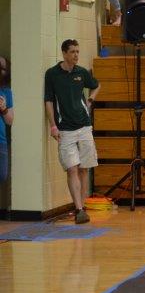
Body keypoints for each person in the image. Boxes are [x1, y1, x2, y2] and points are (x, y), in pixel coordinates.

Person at [44, 40, 101, 224]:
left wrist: (90, 99)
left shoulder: (81, 72)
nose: (76, 55)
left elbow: (96, 85)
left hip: (84, 126)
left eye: (78, 51)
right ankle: (78, 209)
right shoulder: (52, 74)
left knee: (84, 169)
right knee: (72, 168)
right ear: (64, 53)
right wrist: (53, 125)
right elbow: (48, 101)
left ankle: (82, 207)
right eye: (72, 52)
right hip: (65, 129)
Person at [0, 56, 12, 185]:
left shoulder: (6, 92)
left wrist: (4, 109)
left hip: (1, 140)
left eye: (2, 68)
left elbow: (9, 121)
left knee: (2, 175)